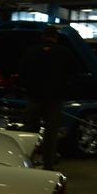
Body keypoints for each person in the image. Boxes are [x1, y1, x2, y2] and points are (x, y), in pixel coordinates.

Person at [20, 26, 77, 170]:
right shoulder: (65, 52)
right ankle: (48, 165)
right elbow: (72, 74)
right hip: (54, 100)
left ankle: (26, 162)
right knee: (51, 134)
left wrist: (27, 87)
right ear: (56, 37)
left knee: (29, 132)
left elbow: (22, 72)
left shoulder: (31, 51)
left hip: (33, 97)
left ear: (43, 37)